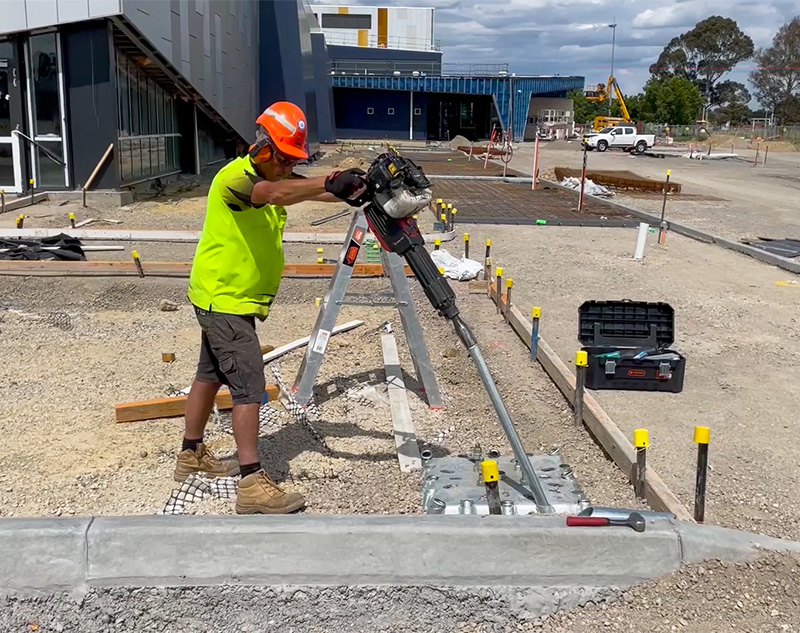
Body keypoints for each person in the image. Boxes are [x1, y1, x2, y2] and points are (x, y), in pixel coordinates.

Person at [174, 101, 366, 514]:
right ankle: (251, 484)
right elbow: (277, 193)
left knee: (209, 375)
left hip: (222, 296)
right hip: (224, 300)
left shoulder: (271, 174)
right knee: (249, 387)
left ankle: (190, 454)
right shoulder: (237, 180)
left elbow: (303, 189)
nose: (287, 166)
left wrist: (349, 190)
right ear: (262, 149)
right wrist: (331, 181)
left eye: (293, 160)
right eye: (283, 158)